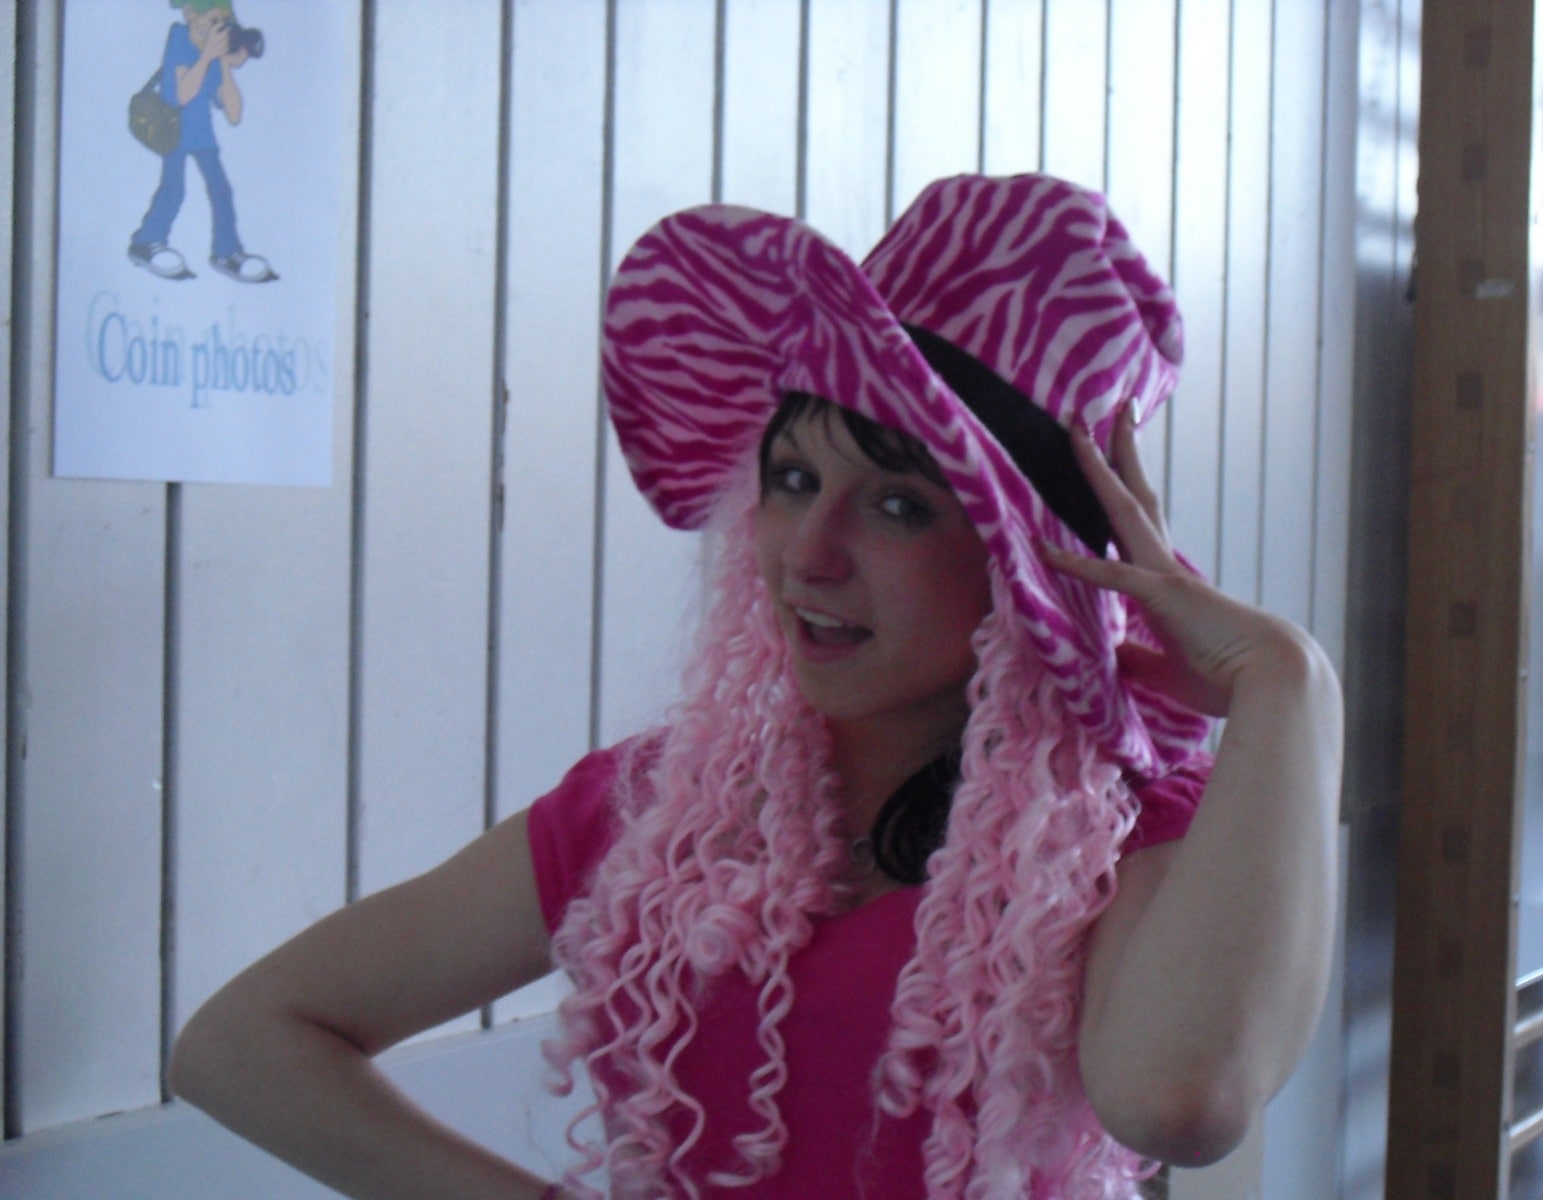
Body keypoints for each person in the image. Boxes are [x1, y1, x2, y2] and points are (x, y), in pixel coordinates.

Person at [169, 174, 1342, 1199]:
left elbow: (1179, 1102)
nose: (809, 554)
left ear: (1022, 562)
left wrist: (1286, 682)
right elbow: (239, 1045)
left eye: (898, 504)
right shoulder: (657, 813)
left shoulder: (1122, 838)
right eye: (790, 479)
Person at [128, 0, 277, 284]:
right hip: (173, 129)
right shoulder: (179, 41)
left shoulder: (216, 54)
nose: (216, 28)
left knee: (221, 190)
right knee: (174, 190)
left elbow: (233, 114)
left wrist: (225, 65)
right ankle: (146, 242)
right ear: (189, 14)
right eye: (211, 20)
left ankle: (227, 253)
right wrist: (208, 55)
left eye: (222, 22)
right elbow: (180, 96)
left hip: (202, 132)